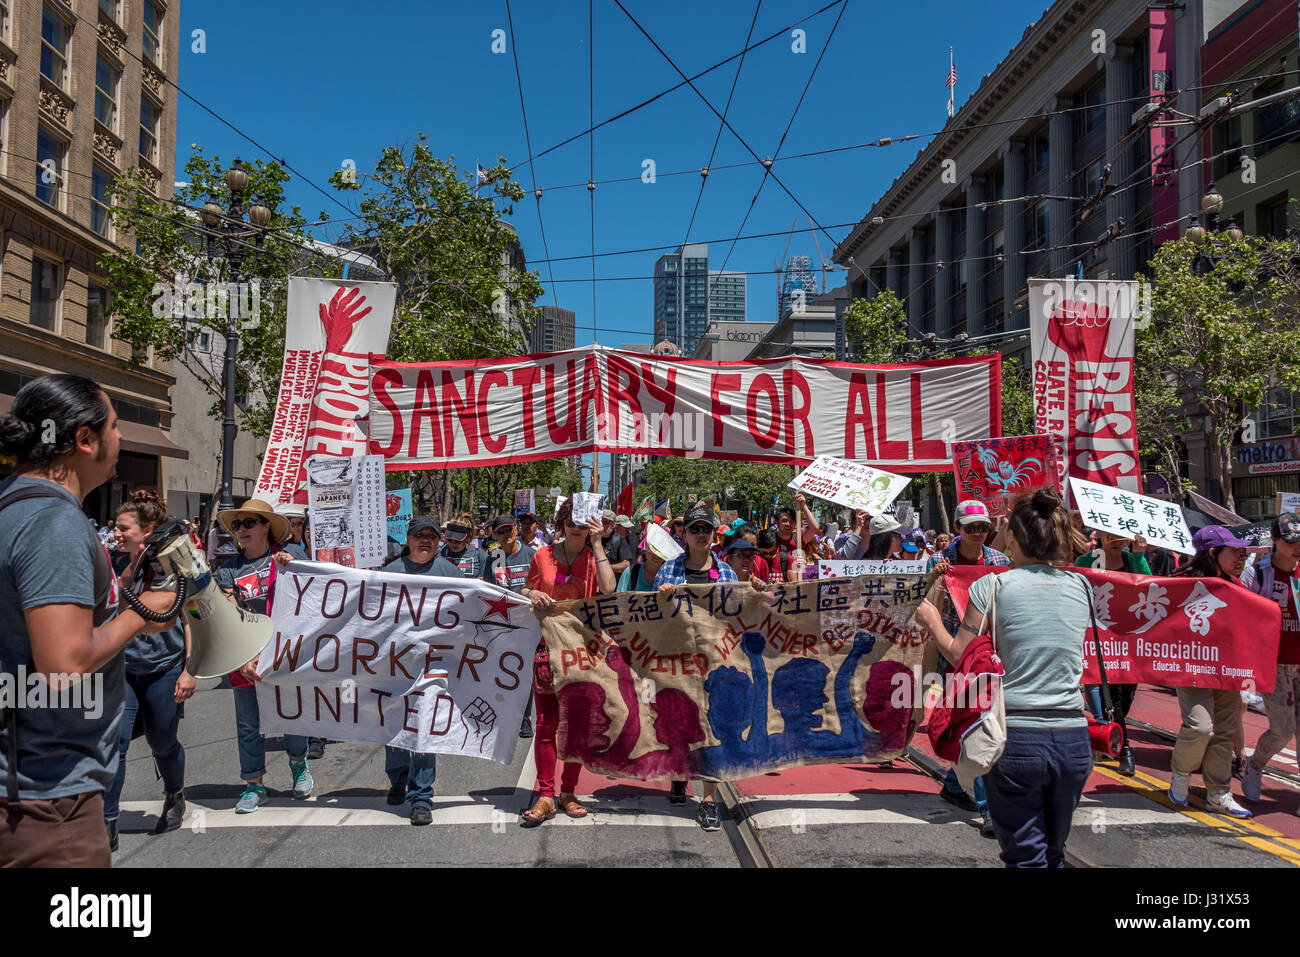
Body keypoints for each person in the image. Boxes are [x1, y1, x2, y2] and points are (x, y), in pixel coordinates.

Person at [0, 375, 183, 867]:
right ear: (85, 439)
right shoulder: (51, 521)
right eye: (116, 426)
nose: (121, 438)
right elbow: (65, 663)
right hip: (47, 796)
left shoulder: (14, 507)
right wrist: (142, 610)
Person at [915, 488, 1093, 868]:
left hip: (1017, 739)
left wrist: (931, 619)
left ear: (1009, 536)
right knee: (1053, 853)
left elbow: (959, 653)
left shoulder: (992, 585)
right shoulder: (1082, 587)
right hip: (1074, 740)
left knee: (1026, 858)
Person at [103, 491, 195, 852]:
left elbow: (192, 620)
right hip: (121, 669)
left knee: (162, 742)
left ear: (149, 531)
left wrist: (189, 670)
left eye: (124, 527)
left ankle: (174, 795)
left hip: (164, 668)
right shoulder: (112, 562)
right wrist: (126, 575)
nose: (117, 533)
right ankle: (108, 820)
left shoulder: (176, 568)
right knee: (115, 744)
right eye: (115, 526)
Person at [519, 500, 616, 825]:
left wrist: (599, 543)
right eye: (572, 519)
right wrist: (532, 594)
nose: (578, 525)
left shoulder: (594, 557)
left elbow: (608, 588)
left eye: (585, 520)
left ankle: (568, 792)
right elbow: (527, 586)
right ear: (562, 521)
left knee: (575, 727)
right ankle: (546, 794)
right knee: (546, 725)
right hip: (546, 650)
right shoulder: (541, 555)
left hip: (582, 653)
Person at [214, 499, 311, 814]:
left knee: (292, 714)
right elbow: (230, 615)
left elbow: (316, 592)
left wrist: (294, 568)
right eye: (238, 525)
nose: (242, 530)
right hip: (248, 657)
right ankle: (253, 784)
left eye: (249, 522)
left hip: (285, 654)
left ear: (267, 525)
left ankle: (299, 766)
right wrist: (246, 655)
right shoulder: (228, 570)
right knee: (248, 724)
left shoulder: (292, 555)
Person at [926, 500, 1012, 831]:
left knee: (978, 718)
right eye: (971, 528)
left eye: (983, 528)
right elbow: (920, 598)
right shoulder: (938, 559)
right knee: (965, 719)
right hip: (952, 650)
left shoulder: (1001, 562)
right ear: (958, 529)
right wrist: (934, 578)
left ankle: (982, 801)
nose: (978, 533)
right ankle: (961, 787)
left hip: (988, 654)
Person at [655, 504, 740, 830]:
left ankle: (708, 800)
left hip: (716, 662)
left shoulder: (728, 573)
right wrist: (661, 597)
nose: (701, 535)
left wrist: (756, 594)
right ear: (684, 534)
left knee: (713, 728)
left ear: (715, 533)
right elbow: (654, 620)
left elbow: (738, 615)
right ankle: (679, 773)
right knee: (678, 723)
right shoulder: (668, 571)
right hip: (677, 662)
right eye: (695, 529)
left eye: (707, 529)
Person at [1164, 525, 1252, 817]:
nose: (1241, 557)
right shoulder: (1179, 583)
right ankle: (1181, 776)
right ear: (1213, 553)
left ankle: (1218, 792)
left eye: (1243, 552)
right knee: (1201, 727)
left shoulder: (1237, 586)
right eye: (1234, 552)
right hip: (1192, 669)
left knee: (1224, 732)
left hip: (1227, 670)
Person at [377, 516, 460, 824]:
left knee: (424, 728)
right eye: (419, 535)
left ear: (439, 541)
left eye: (432, 535)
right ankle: (397, 777)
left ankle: (421, 796)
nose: (425, 540)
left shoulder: (450, 573)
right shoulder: (390, 573)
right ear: (408, 540)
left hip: (434, 664)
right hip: (395, 663)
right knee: (397, 725)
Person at [1074, 530, 1152, 776]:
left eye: (1120, 536)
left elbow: (1150, 588)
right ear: (1100, 537)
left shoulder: (1132, 560)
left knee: (1127, 694)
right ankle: (1126, 748)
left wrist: (1139, 557)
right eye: (1110, 536)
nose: (1116, 541)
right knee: (1113, 694)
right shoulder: (1087, 561)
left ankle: (1112, 730)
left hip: (1129, 636)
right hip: (1099, 636)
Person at [1238, 512, 1300, 805]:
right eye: (1290, 541)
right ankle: (1254, 766)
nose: (1296, 547)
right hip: (1274, 665)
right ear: (1274, 540)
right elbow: (1242, 618)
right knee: (1283, 729)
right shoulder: (1257, 573)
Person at [484, 514, 537, 738]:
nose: (506, 535)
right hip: (502, 626)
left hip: (528, 624)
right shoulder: (492, 559)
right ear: (494, 535)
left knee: (525, 673)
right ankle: (504, 714)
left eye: (509, 530)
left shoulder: (532, 556)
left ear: (516, 531)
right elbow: (486, 591)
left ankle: (525, 718)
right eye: (501, 532)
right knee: (503, 671)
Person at [599, 509, 635, 578]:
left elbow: (626, 564)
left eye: (605, 522)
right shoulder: (590, 537)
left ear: (613, 525)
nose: (602, 525)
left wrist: (604, 567)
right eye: (600, 522)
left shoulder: (619, 539)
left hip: (611, 583)